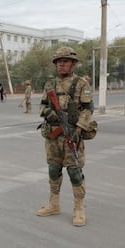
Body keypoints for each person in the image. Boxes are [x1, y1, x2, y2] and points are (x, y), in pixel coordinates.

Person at [37, 46, 93, 227]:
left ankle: (79, 209)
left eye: (65, 61)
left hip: (72, 135)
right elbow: (42, 106)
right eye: (58, 62)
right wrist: (48, 113)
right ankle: (54, 204)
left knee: (75, 172)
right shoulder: (49, 84)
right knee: (53, 170)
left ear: (73, 64)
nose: (61, 65)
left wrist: (77, 130)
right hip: (53, 137)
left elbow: (87, 109)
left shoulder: (82, 84)